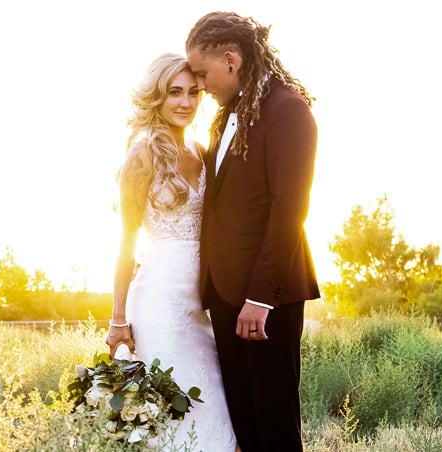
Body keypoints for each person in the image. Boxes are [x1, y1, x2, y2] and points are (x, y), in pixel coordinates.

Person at [185, 11, 320, 452]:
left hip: (266, 300)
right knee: (244, 425)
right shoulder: (225, 116)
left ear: (230, 59)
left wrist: (260, 299)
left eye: (202, 74)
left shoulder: (288, 110)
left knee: (275, 426)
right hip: (224, 294)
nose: (200, 86)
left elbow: (289, 210)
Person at [106, 52, 237, 451]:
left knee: (214, 403)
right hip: (159, 301)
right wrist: (117, 319)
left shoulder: (202, 151)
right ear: (156, 98)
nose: (185, 102)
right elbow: (127, 240)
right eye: (174, 92)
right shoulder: (141, 154)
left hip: (202, 302)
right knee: (172, 410)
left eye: (193, 93)